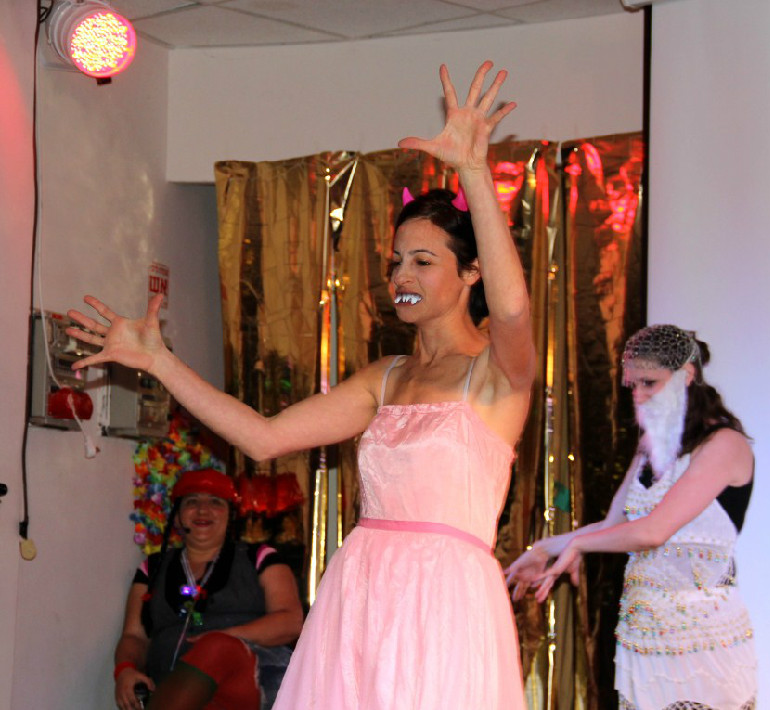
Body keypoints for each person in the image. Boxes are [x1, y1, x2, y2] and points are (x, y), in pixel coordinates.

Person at [68, 60, 533, 709]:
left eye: (424, 261)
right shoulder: (385, 378)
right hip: (361, 590)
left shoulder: (496, 372)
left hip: (445, 600)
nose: (402, 275)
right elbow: (263, 437)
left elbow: (512, 312)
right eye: (396, 260)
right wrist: (160, 362)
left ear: (471, 273)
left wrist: (475, 173)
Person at [506, 324, 757, 710]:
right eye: (632, 386)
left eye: (649, 383)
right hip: (644, 638)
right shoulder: (649, 446)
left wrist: (578, 546)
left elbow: (654, 531)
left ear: (687, 376)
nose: (638, 396)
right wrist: (545, 548)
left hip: (703, 642)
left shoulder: (724, 444)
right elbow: (615, 526)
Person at [112, 468, 304, 710]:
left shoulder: (261, 558)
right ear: (177, 516)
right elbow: (134, 636)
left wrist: (227, 637)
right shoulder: (153, 568)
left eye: (215, 502)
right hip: (173, 685)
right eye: (192, 502)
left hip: (251, 682)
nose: (203, 510)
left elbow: (291, 622)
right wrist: (124, 670)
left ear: (230, 515)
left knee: (218, 647)